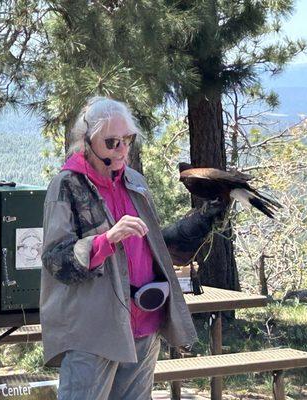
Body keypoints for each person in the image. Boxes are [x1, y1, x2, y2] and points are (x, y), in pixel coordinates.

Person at [40, 96, 226, 400]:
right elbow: (56, 260)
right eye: (112, 142)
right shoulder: (66, 185)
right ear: (87, 141)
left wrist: (200, 222)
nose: (123, 149)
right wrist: (107, 239)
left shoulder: (134, 181)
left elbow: (153, 248)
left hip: (143, 322)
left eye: (128, 140)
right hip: (94, 329)